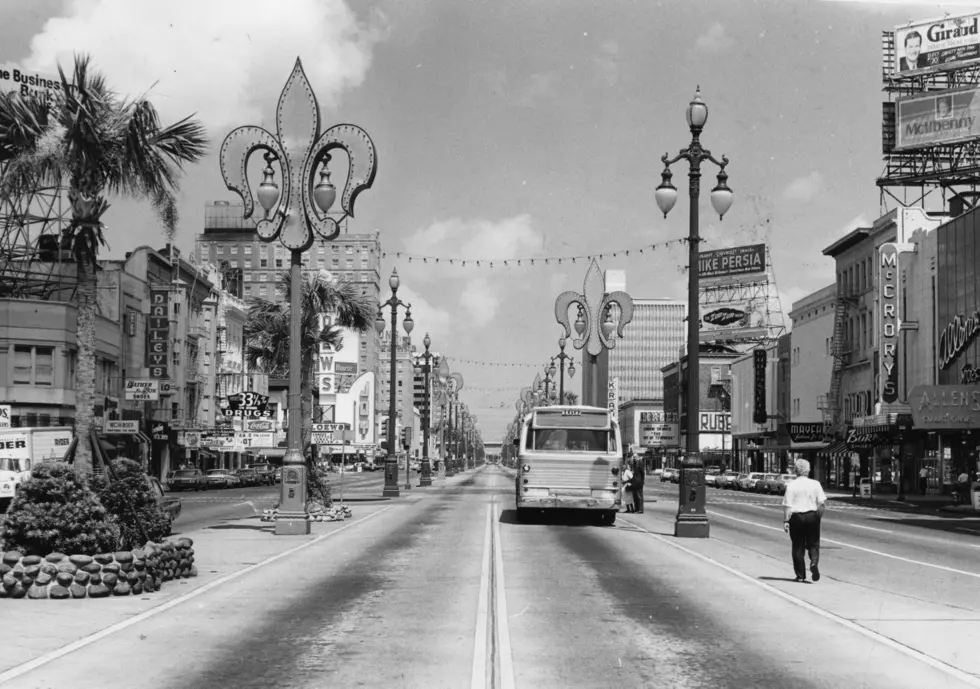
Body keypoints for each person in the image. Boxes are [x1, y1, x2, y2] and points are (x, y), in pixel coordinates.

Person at [782, 458, 827, 583]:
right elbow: (822, 504)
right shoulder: (815, 484)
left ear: (796, 470)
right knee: (813, 544)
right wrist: (818, 517)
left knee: (798, 546)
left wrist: (786, 521)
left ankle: (800, 575)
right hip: (812, 515)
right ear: (808, 470)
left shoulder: (791, 485)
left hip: (797, 517)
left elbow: (787, 506)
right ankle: (813, 562)